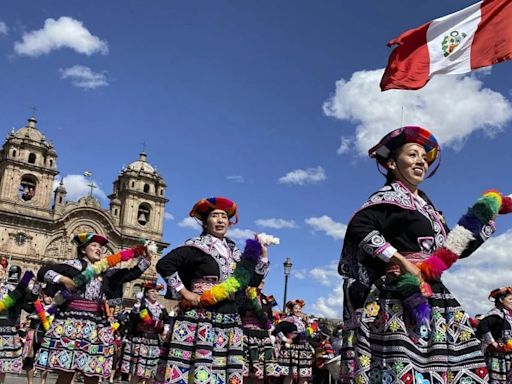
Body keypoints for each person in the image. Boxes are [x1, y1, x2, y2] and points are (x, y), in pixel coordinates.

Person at [338, 126, 498, 383]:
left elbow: (453, 248)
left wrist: (485, 215)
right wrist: (399, 260)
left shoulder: (429, 208)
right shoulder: (387, 199)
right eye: (412, 155)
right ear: (391, 163)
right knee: (403, 365)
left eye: (424, 157)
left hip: (434, 291)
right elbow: (360, 228)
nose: (421, 161)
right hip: (397, 292)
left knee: (454, 364)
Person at [156, 196, 269, 384]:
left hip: (229, 319)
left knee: (222, 375)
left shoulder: (235, 252)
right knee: (195, 373)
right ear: (205, 222)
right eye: (215, 216)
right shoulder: (196, 246)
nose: (220, 220)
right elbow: (164, 264)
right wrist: (184, 292)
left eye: (224, 217)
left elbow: (252, 281)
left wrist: (263, 256)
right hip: (200, 318)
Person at [35, 232, 152, 384]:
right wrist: (63, 279)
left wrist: (147, 259)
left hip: (96, 324)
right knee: (66, 371)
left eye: (101, 247)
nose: (99, 249)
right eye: (94, 245)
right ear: (83, 250)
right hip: (72, 321)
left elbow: (131, 274)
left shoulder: (105, 273)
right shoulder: (73, 266)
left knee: (93, 372)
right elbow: (42, 272)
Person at [121, 280, 169, 384]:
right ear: (146, 293)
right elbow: (133, 318)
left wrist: (165, 329)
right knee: (136, 372)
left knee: (150, 373)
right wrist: (137, 305)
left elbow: (167, 320)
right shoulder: (141, 305)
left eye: (157, 291)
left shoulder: (161, 308)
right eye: (152, 291)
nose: (155, 293)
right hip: (140, 340)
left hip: (154, 342)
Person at [240, 281, 281, 383]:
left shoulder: (266, 299)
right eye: (259, 280)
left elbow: (270, 319)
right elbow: (240, 311)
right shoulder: (244, 296)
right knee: (244, 372)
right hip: (246, 334)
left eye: (263, 280)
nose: (262, 282)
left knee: (261, 373)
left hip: (262, 336)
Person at [475, 286, 512, 383]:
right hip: (496, 356)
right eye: (510, 299)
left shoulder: (506, 315)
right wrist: (493, 342)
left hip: (506, 355)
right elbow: (482, 326)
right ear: (501, 300)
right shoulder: (495, 314)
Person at [273, 299, 314, 384]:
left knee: (304, 374)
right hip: (292, 350)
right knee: (290, 375)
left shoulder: (304, 321)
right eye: (296, 308)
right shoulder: (288, 320)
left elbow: (312, 328)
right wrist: (284, 339)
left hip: (303, 349)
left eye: (299, 308)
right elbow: (276, 330)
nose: (298, 310)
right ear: (291, 310)